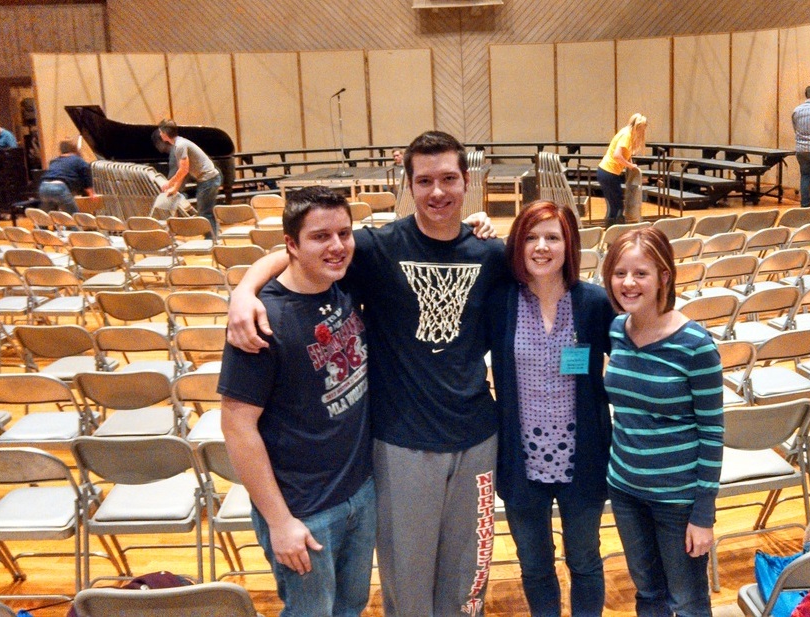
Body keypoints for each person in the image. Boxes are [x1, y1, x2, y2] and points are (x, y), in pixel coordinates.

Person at [226, 130, 507, 616]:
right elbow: (301, 252)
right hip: (401, 442)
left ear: (467, 182)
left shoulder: (491, 253)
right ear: (409, 185)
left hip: (478, 436)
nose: (437, 191)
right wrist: (244, 288)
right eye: (424, 181)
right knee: (409, 584)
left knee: (469, 580)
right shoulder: (375, 249)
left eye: (448, 179)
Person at [219, 186, 374, 617]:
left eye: (344, 233)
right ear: (292, 244)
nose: (337, 246)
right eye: (320, 236)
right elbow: (236, 425)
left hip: (360, 491)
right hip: (304, 511)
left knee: (351, 607)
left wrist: (243, 284)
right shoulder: (263, 322)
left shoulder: (340, 282)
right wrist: (280, 522)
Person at [488, 200, 616, 616]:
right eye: (530, 237)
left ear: (569, 245)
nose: (541, 246)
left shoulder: (594, 303)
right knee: (536, 567)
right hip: (520, 461)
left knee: (584, 561)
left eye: (552, 237)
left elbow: (635, 349)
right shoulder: (502, 302)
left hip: (583, 457)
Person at [601, 227, 723, 617]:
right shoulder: (617, 331)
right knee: (648, 593)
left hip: (678, 498)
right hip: (625, 489)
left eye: (640, 273)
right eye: (620, 273)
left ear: (664, 277)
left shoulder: (695, 345)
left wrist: (703, 513)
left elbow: (713, 432)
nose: (628, 283)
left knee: (687, 601)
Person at [158, 119, 222, 235]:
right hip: (208, 179)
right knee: (206, 211)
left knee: (205, 213)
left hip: (208, 179)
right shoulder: (178, 144)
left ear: (165, 133)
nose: (159, 134)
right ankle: (214, 237)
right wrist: (175, 188)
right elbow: (182, 171)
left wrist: (169, 183)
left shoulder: (180, 146)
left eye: (160, 132)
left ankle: (211, 240)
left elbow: (184, 170)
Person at [597, 113, 647, 227]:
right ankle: (612, 232)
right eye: (642, 128)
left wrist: (631, 164)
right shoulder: (626, 135)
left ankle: (611, 229)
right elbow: (617, 156)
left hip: (609, 173)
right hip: (608, 172)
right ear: (637, 127)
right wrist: (630, 166)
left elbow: (626, 154)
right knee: (617, 206)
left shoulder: (626, 133)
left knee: (614, 205)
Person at [38, 138, 94, 214]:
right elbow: (86, 175)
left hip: (43, 187)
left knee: (45, 217)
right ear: (75, 149)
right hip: (59, 187)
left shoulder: (54, 160)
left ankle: (41, 226)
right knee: (74, 217)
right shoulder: (78, 160)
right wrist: (91, 193)